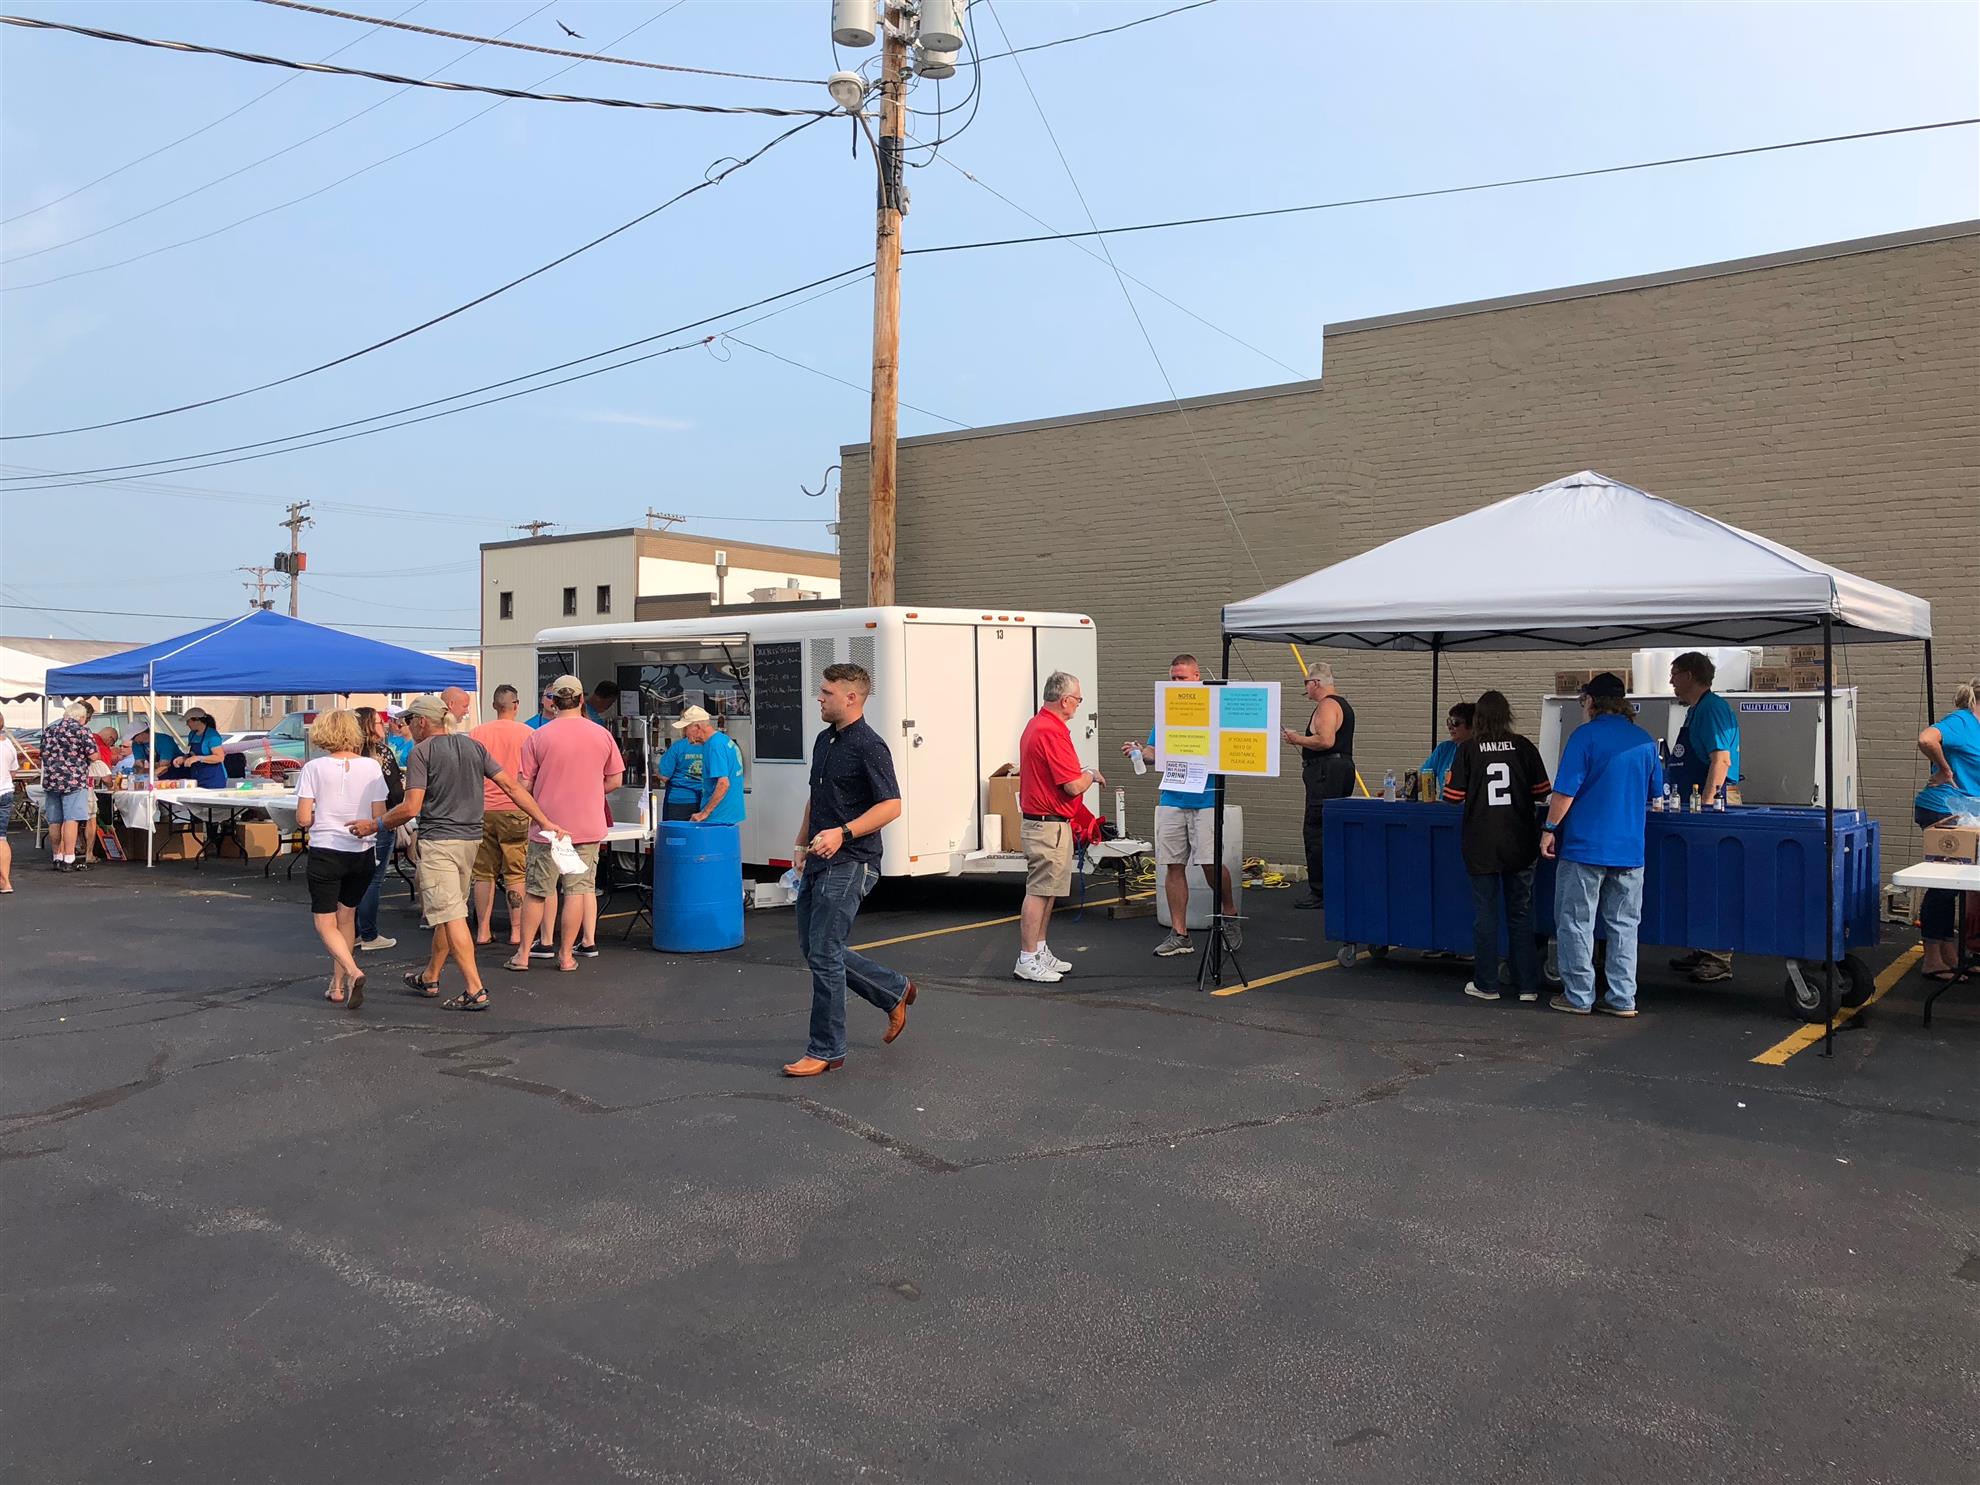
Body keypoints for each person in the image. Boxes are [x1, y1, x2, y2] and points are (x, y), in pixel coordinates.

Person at [350, 695, 561, 1012]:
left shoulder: (423, 752)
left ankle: (475, 989)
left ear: (423, 722)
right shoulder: (472, 746)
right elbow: (512, 786)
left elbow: (411, 807)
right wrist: (544, 820)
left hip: (439, 843)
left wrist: (374, 825)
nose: (407, 726)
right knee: (450, 912)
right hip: (470, 840)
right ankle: (430, 976)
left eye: (409, 720)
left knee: (450, 915)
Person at [782, 662, 916, 1077]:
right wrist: (802, 841)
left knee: (824, 951)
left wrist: (843, 833)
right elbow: (817, 796)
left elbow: (891, 805)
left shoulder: (870, 745)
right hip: (820, 859)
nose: (819, 698)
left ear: (851, 697)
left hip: (853, 861)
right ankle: (893, 989)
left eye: (826, 692)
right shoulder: (825, 740)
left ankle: (826, 1050)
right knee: (816, 949)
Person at [1542, 673, 1664, 1017]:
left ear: (1592, 702)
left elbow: (1564, 792)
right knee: (1624, 925)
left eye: (1584, 700)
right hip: (1630, 849)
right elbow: (1656, 792)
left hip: (1585, 847)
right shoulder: (1644, 741)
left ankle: (1579, 996)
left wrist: (1549, 828)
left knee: (1576, 922)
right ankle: (1622, 998)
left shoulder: (1584, 736)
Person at [507, 676, 621, 974]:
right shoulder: (601, 735)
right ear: (582, 700)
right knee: (576, 891)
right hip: (587, 825)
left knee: (537, 891)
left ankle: (523, 954)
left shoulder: (538, 736)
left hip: (547, 826)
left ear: (553, 702)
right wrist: (591, 791)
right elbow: (615, 779)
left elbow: (522, 785)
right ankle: (567, 956)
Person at [1443, 691, 1552, 1003]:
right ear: (1508, 715)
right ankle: (1527, 985)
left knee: (1486, 914)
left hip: (1481, 842)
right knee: (1521, 913)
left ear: (1478, 718)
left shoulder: (1468, 749)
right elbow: (1542, 792)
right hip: (1520, 840)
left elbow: (1452, 797)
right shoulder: (1524, 746)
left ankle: (1487, 984)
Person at [1126, 654, 1237, 957]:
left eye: (1182, 678)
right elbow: (1154, 750)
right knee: (1173, 865)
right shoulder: (1167, 712)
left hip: (1206, 796)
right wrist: (1141, 752)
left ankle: (1229, 912)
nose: (1176, 683)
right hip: (1172, 796)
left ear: (1197, 677)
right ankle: (1180, 933)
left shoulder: (1213, 709)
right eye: (1173, 678)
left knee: (1210, 863)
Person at [295, 711, 387, 1010]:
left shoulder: (313, 768)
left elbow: (303, 818)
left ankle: (352, 971)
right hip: (361, 850)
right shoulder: (372, 766)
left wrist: (322, 815)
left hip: (326, 850)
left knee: (325, 921)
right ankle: (337, 984)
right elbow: (379, 815)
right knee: (346, 917)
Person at [1019, 672, 1104, 983]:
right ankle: (1028, 957)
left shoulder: (1037, 724)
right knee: (1040, 891)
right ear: (1066, 700)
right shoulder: (1051, 731)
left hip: (1048, 823)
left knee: (1049, 890)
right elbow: (1071, 785)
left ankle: (1039, 950)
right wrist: (1091, 775)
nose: (1079, 704)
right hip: (1047, 825)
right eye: (1078, 699)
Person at [1665, 651, 1742, 984]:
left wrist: (1707, 807)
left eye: (1674, 674)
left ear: (1689, 675)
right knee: (1697, 878)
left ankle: (1719, 957)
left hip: (1713, 805)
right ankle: (1702, 946)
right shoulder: (1696, 710)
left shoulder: (1711, 709)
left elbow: (1721, 761)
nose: (1670, 680)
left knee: (1715, 880)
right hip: (1694, 802)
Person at [1915, 677, 1980, 982]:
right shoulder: (1961, 721)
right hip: (1942, 810)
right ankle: (1932, 959)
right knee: (1943, 885)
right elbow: (1926, 739)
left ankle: (1952, 955)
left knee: (1956, 885)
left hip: (1965, 815)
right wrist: (1944, 769)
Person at [1281, 662, 1356, 909]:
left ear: (1315, 683)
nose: (1305, 689)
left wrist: (1296, 739)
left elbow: (1325, 740)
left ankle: (1319, 891)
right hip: (1340, 769)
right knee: (1333, 827)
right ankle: (1336, 886)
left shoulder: (1327, 705)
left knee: (1315, 829)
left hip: (1325, 772)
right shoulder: (1343, 705)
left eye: (1306, 683)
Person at [470, 685, 533, 948]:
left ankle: (483, 930)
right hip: (515, 807)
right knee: (516, 872)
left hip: (483, 809)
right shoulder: (528, 734)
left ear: (494, 705)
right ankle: (516, 931)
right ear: (516, 705)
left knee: (483, 872)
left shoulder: (477, 733)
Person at [351, 706, 404, 953]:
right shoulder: (380, 753)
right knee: (374, 879)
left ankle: (353, 932)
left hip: (352, 820)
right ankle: (369, 934)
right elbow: (395, 791)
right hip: (379, 819)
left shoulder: (348, 754)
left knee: (353, 878)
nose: (383, 725)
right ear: (369, 726)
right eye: (378, 721)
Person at [38, 703, 98, 873]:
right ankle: (69, 859)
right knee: (72, 819)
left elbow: (42, 753)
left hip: (51, 780)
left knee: (55, 821)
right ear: (81, 717)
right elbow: (94, 755)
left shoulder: (49, 730)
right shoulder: (82, 730)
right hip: (74, 780)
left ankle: (57, 856)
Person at [670, 705, 746, 824]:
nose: (684, 733)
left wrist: (704, 813)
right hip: (729, 813)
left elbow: (723, 784)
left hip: (718, 816)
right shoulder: (723, 740)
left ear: (697, 727)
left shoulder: (714, 745)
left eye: (686, 728)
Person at [1417, 702, 1475, 798]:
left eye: (1455, 722)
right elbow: (1422, 780)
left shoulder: (1480, 752)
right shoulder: (1444, 749)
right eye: (1449, 722)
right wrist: (1397, 794)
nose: (1450, 727)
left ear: (1472, 725)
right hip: (1445, 805)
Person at [160, 708, 228, 788]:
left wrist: (198, 758)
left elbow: (220, 757)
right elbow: (192, 753)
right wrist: (184, 758)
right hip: (197, 775)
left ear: (196, 720)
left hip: (214, 778)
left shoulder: (212, 736)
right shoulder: (192, 734)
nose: (187, 724)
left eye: (188, 721)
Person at [0, 725, 18, 893]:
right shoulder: (8, 744)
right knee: (1, 838)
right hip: (5, 791)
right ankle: (5, 881)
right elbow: (13, 772)